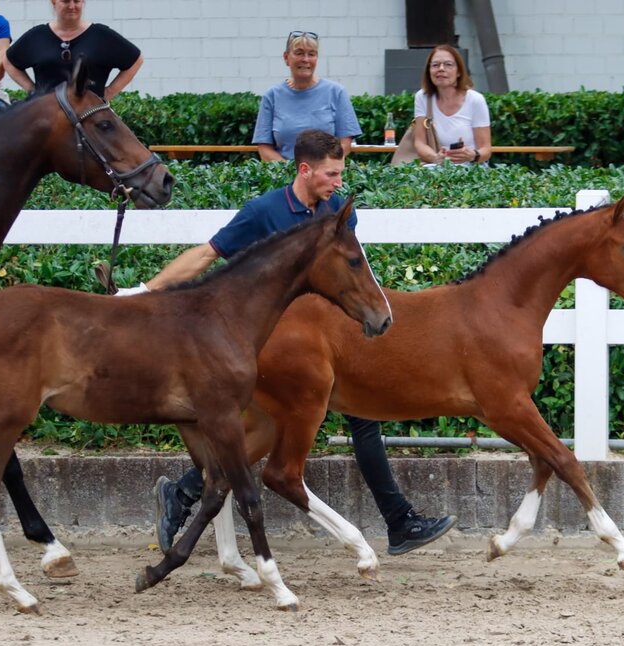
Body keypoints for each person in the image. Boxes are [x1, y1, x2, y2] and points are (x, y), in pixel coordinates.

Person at [116, 129, 456, 557]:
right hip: (273, 344)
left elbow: (355, 276)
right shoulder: (265, 211)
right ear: (304, 169)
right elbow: (208, 253)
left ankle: (184, 494)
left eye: (340, 172)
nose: (338, 182)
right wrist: (146, 291)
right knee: (288, 424)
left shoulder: (339, 215)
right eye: (331, 173)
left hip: (322, 343)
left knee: (356, 419)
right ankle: (398, 521)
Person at [252, 30, 362, 161]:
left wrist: (320, 169)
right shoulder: (272, 96)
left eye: (311, 54)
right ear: (286, 58)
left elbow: (345, 143)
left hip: (325, 176)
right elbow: (264, 148)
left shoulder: (336, 92)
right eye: (299, 53)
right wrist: (293, 172)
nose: (306, 59)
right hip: (284, 176)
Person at [4, 0, 142, 100]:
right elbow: (9, 61)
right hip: (47, 118)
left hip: (89, 118)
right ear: (54, 2)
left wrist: (110, 92)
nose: (72, 6)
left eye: (77, 1)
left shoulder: (102, 35)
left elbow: (136, 60)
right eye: (65, 1)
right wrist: (33, 90)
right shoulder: (37, 35)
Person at [413, 45, 491, 166]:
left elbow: (485, 150)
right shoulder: (422, 97)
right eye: (435, 65)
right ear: (429, 71)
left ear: (459, 72)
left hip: (470, 169)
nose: (441, 69)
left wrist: (471, 155)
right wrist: (436, 158)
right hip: (436, 168)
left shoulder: (475, 100)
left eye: (448, 64)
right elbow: (420, 143)